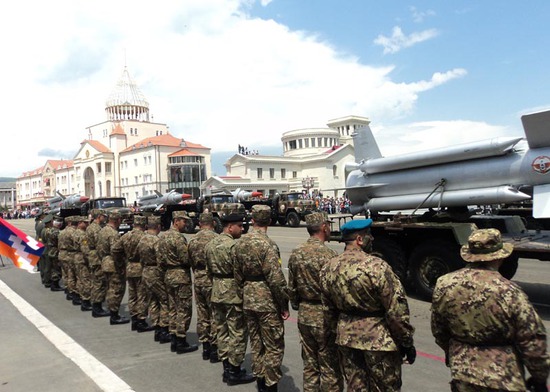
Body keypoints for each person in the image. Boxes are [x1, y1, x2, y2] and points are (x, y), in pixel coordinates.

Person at [431, 228, 550, 392]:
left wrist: (455, 353)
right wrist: (539, 378)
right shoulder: (509, 291)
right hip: (503, 378)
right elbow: (532, 341)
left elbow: (439, 329)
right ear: (500, 256)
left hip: (463, 373)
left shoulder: (444, 284)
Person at [320, 219, 415, 392]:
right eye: (369, 235)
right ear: (359, 240)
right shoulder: (377, 266)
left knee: (356, 387)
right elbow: (396, 311)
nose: (372, 239)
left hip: (346, 338)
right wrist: (406, 342)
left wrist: (332, 337)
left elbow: (328, 310)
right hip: (378, 340)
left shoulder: (329, 267)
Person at [233, 205, 289, 392]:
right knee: (273, 345)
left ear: (253, 220)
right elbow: (276, 279)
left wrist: (243, 295)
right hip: (266, 300)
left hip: (249, 297)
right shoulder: (268, 244)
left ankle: (260, 381)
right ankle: (270, 385)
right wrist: (283, 304)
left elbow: (237, 275)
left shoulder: (240, 242)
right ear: (269, 221)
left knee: (257, 343)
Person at [288, 212, 343, 392]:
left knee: (310, 365)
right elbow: (336, 290)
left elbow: (292, 287)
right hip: (324, 316)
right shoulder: (330, 255)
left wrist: (298, 304)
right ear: (324, 227)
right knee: (329, 366)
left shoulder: (296, 253)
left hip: (305, 313)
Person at [206, 208, 255, 385]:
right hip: (233, 293)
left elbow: (208, 271)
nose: (242, 229)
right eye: (239, 226)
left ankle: (226, 367)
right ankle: (235, 371)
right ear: (229, 227)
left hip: (217, 292)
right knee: (237, 332)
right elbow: (241, 272)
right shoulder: (234, 246)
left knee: (222, 331)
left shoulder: (211, 244)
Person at [157, 210, 198, 354]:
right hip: (180, 275)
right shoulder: (178, 238)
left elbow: (160, 259)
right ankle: (181, 339)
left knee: (173, 307)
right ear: (176, 221)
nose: (185, 223)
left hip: (168, 275)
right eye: (184, 221)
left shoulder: (163, 237)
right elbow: (185, 258)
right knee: (184, 308)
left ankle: (173, 336)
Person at [188, 212, 219, 361]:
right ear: (213, 223)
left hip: (198, 278)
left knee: (202, 315)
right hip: (212, 279)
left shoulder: (193, 240)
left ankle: (205, 346)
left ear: (200, 224)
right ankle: (214, 348)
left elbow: (191, 262)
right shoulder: (216, 239)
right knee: (214, 314)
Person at [117, 215, 152, 332]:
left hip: (129, 267)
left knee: (132, 295)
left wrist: (121, 261)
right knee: (142, 296)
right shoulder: (144, 237)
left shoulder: (126, 236)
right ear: (144, 225)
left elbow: (115, 249)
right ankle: (141, 320)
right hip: (140, 267)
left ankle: (134, 319)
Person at [138, 215, 171, 343]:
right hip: (155, 272)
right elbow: (161, 259)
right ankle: (163, 329)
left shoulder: (142, 239)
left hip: (146, 271)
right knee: (164, 300)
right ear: (158, 227)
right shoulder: (156, 241)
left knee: (153, 301)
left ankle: (156, 327)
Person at [97, 211, 128, 325]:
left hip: (105, 261)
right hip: (113, 264)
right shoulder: (113, 233)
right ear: (117, 220)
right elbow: (116, 250)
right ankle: (114, 315)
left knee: (110, 288)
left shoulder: (102, 230)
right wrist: (121, 264)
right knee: (116, 289)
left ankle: (113, 312)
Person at [86, 209, 110, 318]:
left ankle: (97, 305)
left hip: (93, 256)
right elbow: (99, 244)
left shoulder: (91, 227)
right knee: (99, 282)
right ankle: (97, 307)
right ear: (99, 216)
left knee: (96, 281)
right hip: (97, 256)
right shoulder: (96, 228)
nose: (104, 218)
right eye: (103, 216)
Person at [72, 216, 93, 311]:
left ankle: (81, 297)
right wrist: (91, 259)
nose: (87, 224)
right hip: (82, 259)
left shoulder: (75, 232)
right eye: (85, 222)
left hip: (77, 257)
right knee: (85, 279)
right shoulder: (82, 234)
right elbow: (85, 250)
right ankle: (86, 301)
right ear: (80, 223)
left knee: (80, 279)